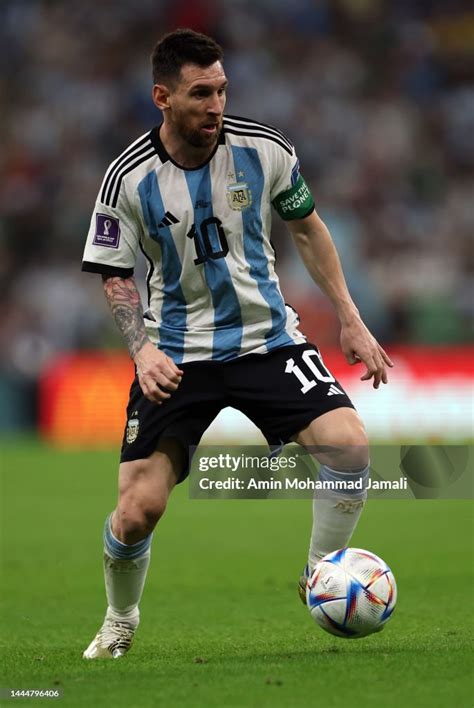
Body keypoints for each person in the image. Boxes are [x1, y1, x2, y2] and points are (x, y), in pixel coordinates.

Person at [81, 28, 392, 659]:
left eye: (222, 90)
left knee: (350, 446)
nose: (216, 105)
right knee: (137, 512)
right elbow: (115, 270)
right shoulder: (128, 177)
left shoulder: (265, 149)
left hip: (266, 341)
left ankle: (317, 578)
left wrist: (349, 318)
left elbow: (307, 229)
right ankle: (120, 618)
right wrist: (141, 349)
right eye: (201, 93)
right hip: (177, 353)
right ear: (162, 97)